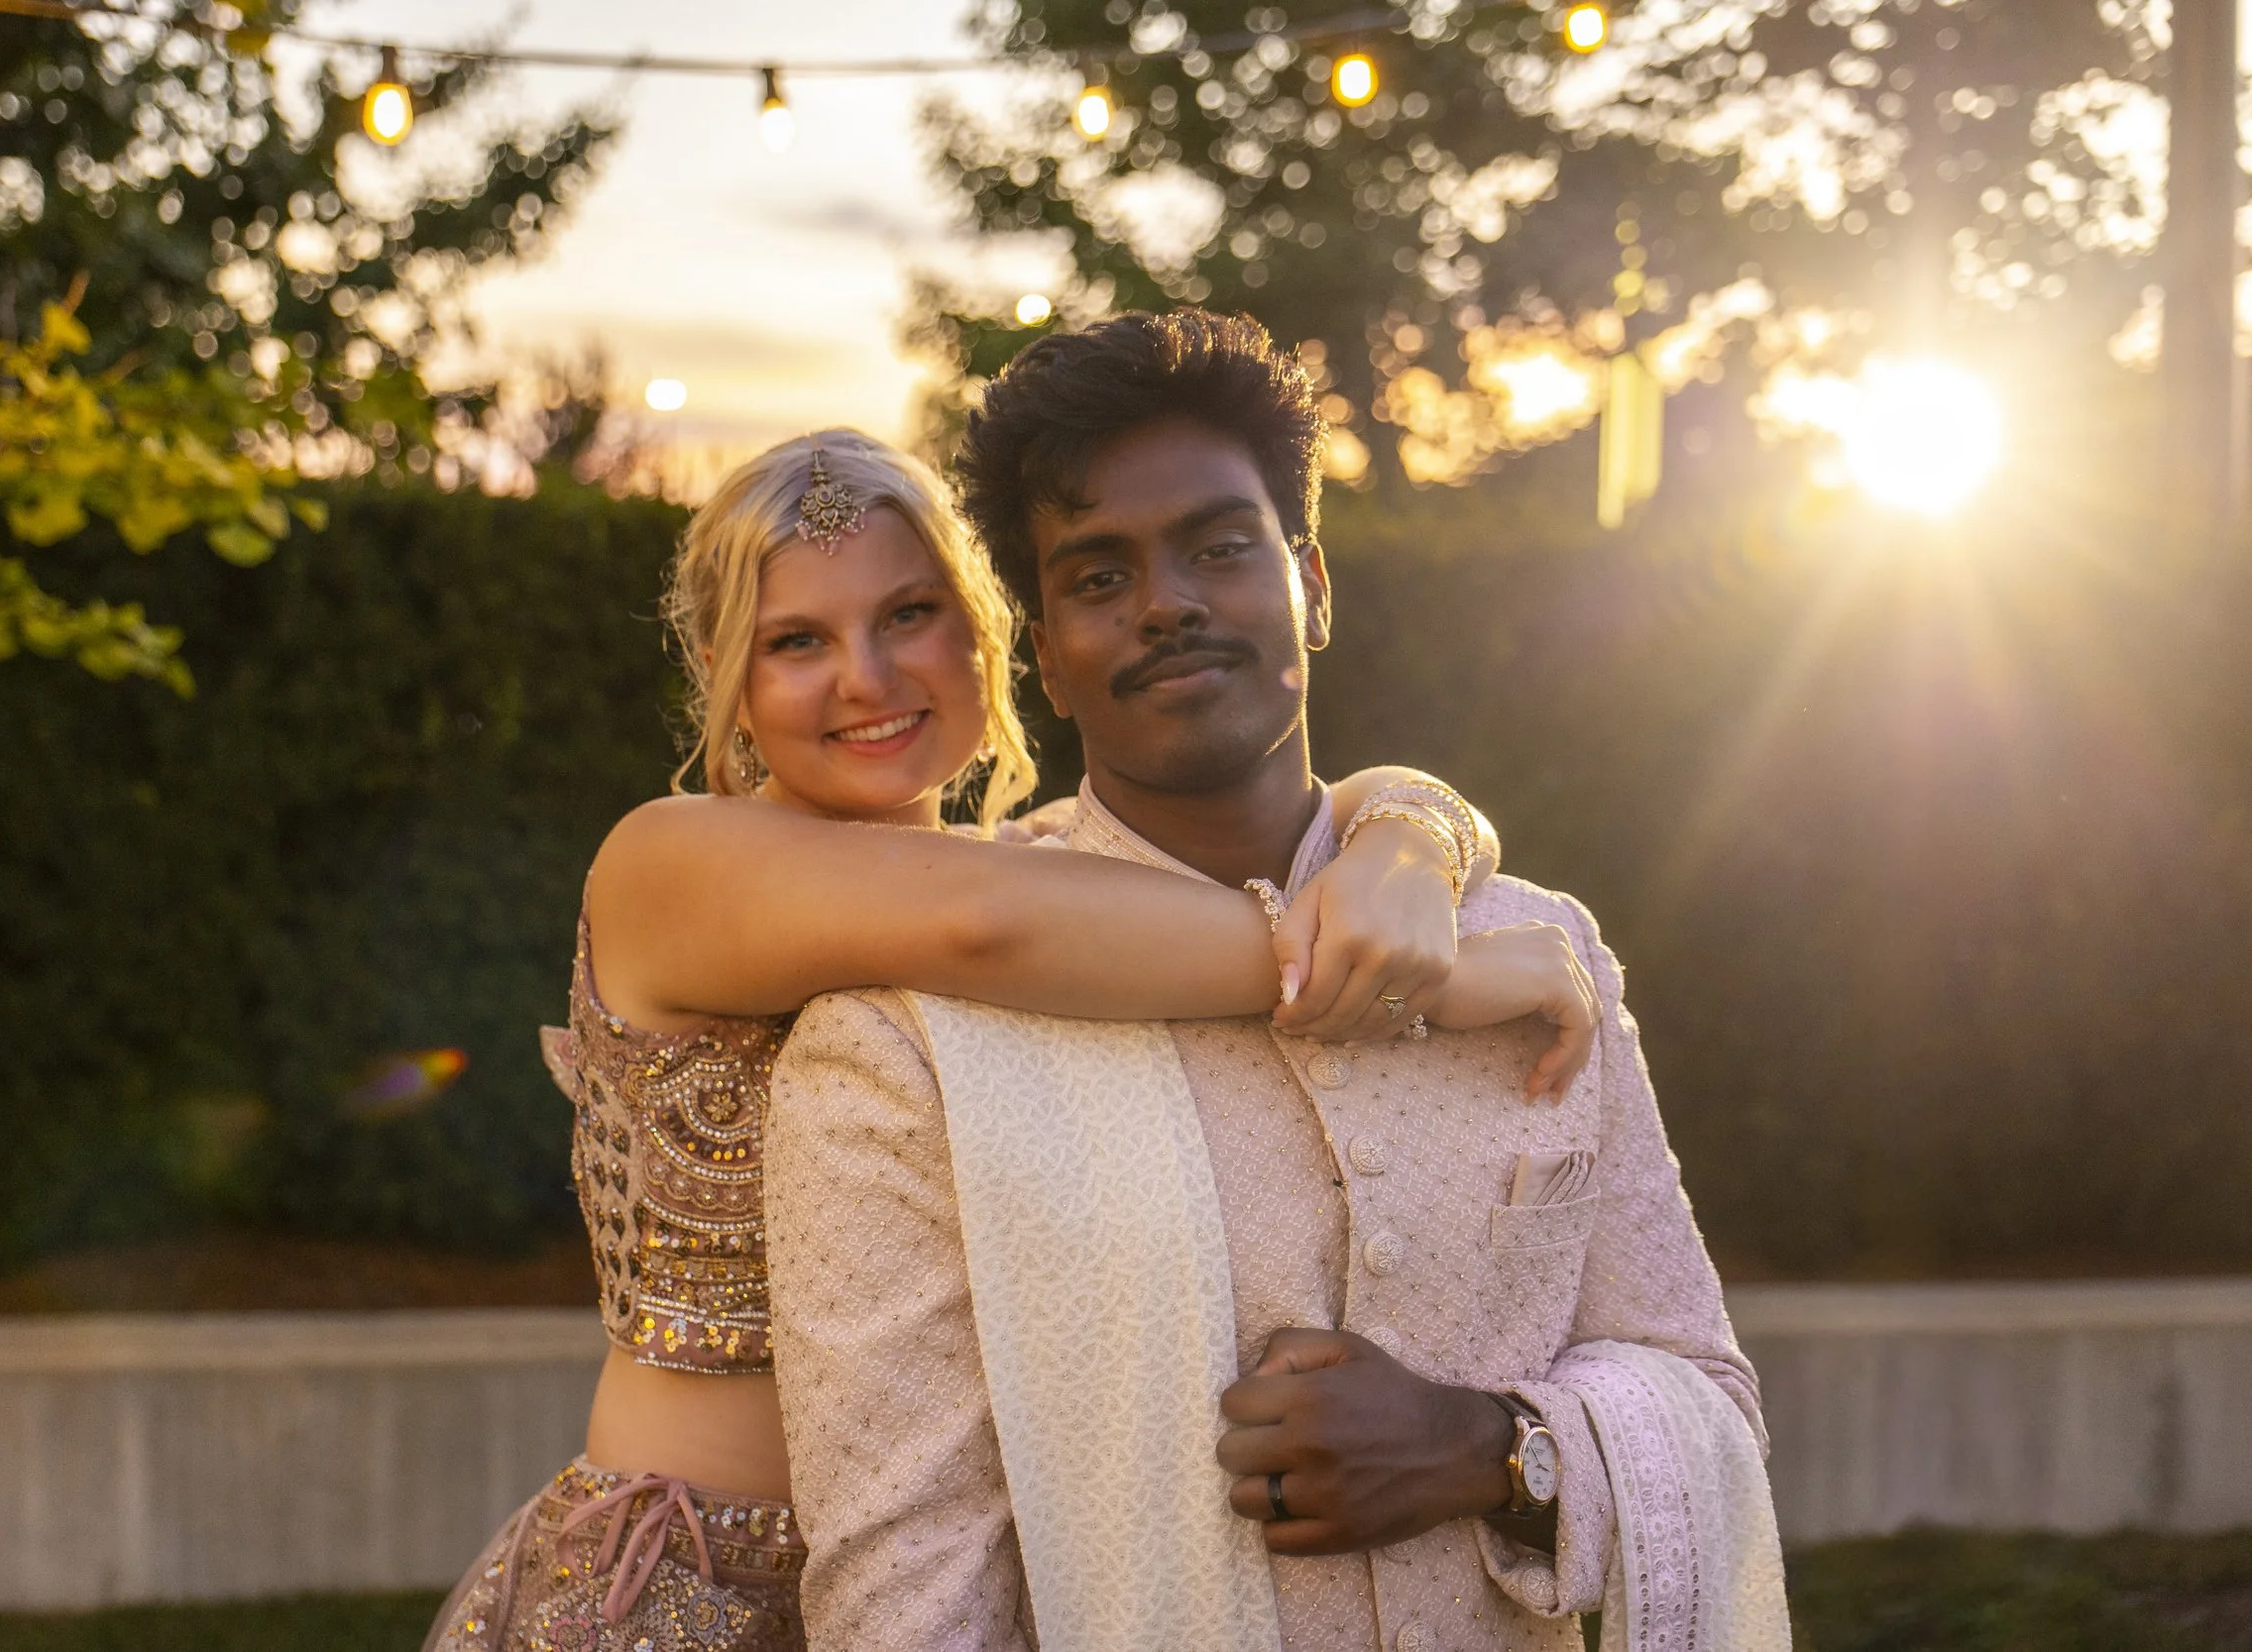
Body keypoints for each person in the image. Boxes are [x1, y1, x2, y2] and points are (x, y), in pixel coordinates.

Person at [423, 429, 1602, 1652]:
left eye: (910, 614)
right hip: (684, 1590)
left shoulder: (1050, 885)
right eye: (797, 641)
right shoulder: (667, 861)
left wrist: (1414, 833)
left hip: (981, 1580)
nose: (865, 676)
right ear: (725, 673)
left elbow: (1290, 815)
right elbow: (981, 927)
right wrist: (1420, 969)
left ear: (987, 633)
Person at [763, 312, 1788, 1652]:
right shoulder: (907, 1045)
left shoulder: (1539, 952)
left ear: (1312, 581)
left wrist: (1490, 1446)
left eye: (1220, 545)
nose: (1170, 599)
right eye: (1097, 575)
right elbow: (906, 1593)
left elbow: (1707, 1396)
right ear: (1046, 655)